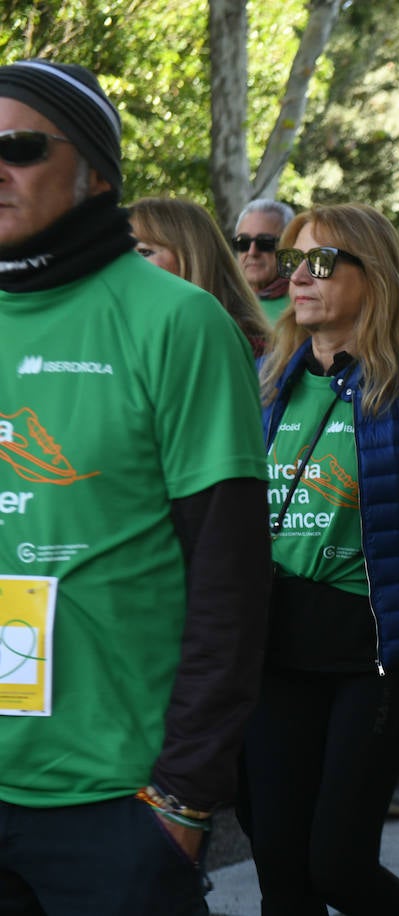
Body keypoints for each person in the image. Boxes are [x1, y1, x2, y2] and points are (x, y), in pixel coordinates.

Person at [0, 59, 271, 913]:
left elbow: (230, 581)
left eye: (18, 146)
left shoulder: (177, 322)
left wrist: (186, 797)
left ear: (96, 172)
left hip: (114, 802)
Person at [242, 203, 399, 913]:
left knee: (338, 865)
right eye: (294, 261)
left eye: (320, 262)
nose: (299, 276)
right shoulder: (272, 379)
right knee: (280, 873)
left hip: (377, 655)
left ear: (373, 275)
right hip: (276, 650)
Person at [129, 196, 272, 356]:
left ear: (193, 259)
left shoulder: (240, 347)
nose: (126, 264)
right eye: (122, 254)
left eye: (144, 252)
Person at [234, 198, 296, 323]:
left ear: (289, 246)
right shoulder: (222, 300)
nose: (252, 252)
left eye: (265, 242)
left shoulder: (303, 304)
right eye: (243, 243)